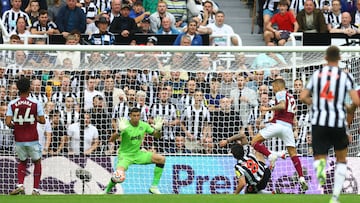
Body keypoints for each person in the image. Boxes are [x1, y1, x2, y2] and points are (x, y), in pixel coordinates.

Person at [300, 46, 360, 203]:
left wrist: (315, 103)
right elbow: (356, 101)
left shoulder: (317, 75)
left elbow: (303, 96)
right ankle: (335, 197)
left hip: (319, 121)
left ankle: (320, 171)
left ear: (325, 58)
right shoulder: (345, 76)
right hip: (337, 122)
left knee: (320, 156)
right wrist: (349, 108)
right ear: (339, 58)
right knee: (341, 159)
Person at [250, 78, 309, 192]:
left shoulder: (280, 93)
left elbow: (282, 106)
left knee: (254, 142)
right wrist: (271, 119)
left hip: (279, 126)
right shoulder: (291, 97)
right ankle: (301, 177)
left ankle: (271, 155)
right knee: (293, 154)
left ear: (278, 86)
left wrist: (267, 108)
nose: (273, 89)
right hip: (288, 128)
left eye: (273, 86)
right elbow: (287, 112)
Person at [104, 107, 165, 194]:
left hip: (138, 154)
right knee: (118, 175)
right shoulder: (125, 126)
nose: (136, 117)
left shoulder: (144, 125)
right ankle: (107, 190)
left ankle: (153, 187)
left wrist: (158, 130)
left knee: (161, 159)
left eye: (138, 115)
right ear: (130, 116)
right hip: (125, 156)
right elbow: (111, 139)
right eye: (134, 116)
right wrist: (118, 131)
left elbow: (158, 136)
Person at [5, 77, 46, 195]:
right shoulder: (35, 103)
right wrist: (34, 118)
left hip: (19, 139)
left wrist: (16, 126)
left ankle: (20, 184)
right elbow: (43, 121)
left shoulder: (12, 104)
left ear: (17, 89)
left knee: (22, 161)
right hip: (32, 138)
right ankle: (35, 189)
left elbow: (8, 122)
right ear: (30, 88)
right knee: (37, 162)